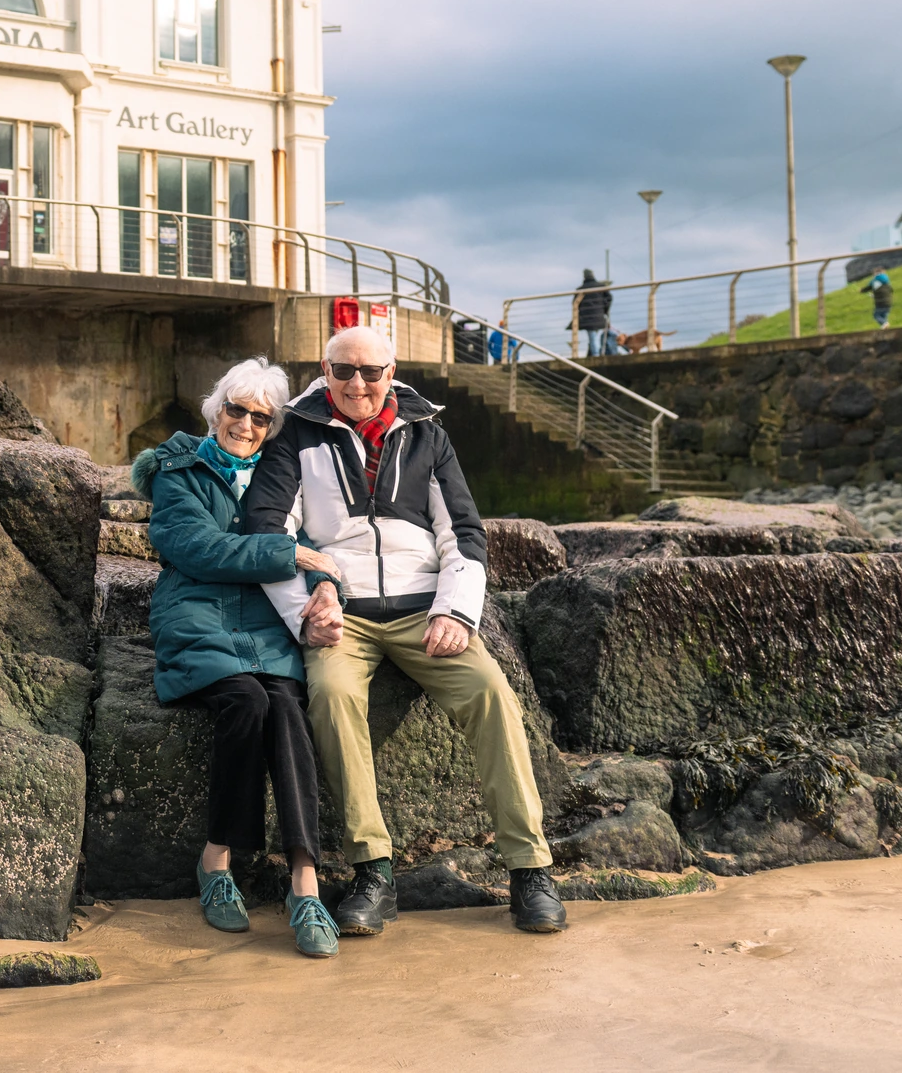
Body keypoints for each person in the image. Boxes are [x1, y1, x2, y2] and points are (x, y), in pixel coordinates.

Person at [239, 326, 568, 937]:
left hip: (426, 610)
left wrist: (456, 611)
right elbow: (266, 529)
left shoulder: (428, 436)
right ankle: (373, 871)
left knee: (493, 695)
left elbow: (463, 535)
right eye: (343, 371)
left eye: (370, 372)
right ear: (324, 369)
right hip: (344, 611)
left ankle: (529, 868)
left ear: (392, 372)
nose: (356, 384)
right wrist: (307, 605)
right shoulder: (295, 436)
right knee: (332, 699)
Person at [132, 358, 343, 959]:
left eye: (260, 417)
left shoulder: (285, 477)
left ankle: (306, 881)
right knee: (245, 701)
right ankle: (217, 860)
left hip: (268, 621)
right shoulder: (179, 468)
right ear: (215, 408)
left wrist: (331, 590)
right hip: (195, 612)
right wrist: (293, 555)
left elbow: (330, 550)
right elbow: (196, 547)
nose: (245, 424)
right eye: (236, 409)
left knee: (286, 709)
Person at [572, 268, 616, 356]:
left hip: (587, 317)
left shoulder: (580, 289)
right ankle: (600, 353)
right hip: (600, 315)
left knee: (592, 337)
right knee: (598, 336)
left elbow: (575, 304)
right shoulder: (601, 286)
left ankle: (596, 354)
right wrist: (605, 309)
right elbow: (609, 298)